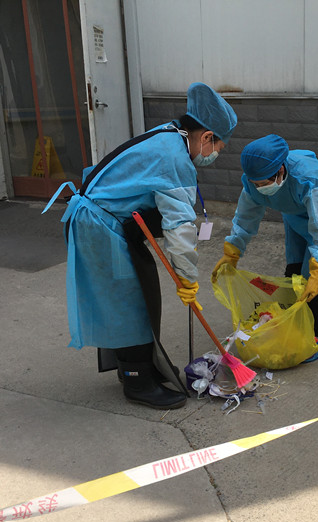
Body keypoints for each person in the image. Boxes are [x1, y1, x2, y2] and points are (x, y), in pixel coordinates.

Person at [44, 82, 237, 409]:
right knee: (130, 302)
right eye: (218, 147)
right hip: (101, 228)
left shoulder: (170, 134)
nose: (215, 154)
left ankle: (138, 366)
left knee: (139, 292)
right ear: (206, 137)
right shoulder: (175, 158)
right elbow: (179, 227)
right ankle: (136, 381)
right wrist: (188, 278)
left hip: (111, 223)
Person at [211, 134, 318, 362]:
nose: (259, 188)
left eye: (264, 184)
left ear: (281, 170)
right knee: (293, 266)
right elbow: (246, 216)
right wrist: (232, 250)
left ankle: (315, 337)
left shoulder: (309, 179)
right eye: (256, 184)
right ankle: (294, 321)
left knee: (309, 276)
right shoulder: (254, 181)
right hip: (294, 211)